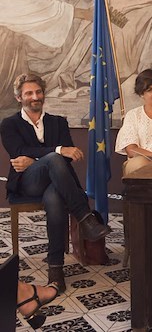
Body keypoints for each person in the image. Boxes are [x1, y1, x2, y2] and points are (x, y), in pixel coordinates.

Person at [0, 73, 111, 292]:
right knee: (53, 158)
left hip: (55, 183)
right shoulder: (9, 124)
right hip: (26, 182)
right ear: (19, 97)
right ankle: (85, 218)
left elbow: (69, 157)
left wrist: (36, 158)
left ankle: (55, 269)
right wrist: (56, 151)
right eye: (29, 93)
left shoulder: (58, 122)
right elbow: (19, 152)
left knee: (54, 196)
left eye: (38, 92)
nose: (35, 97)